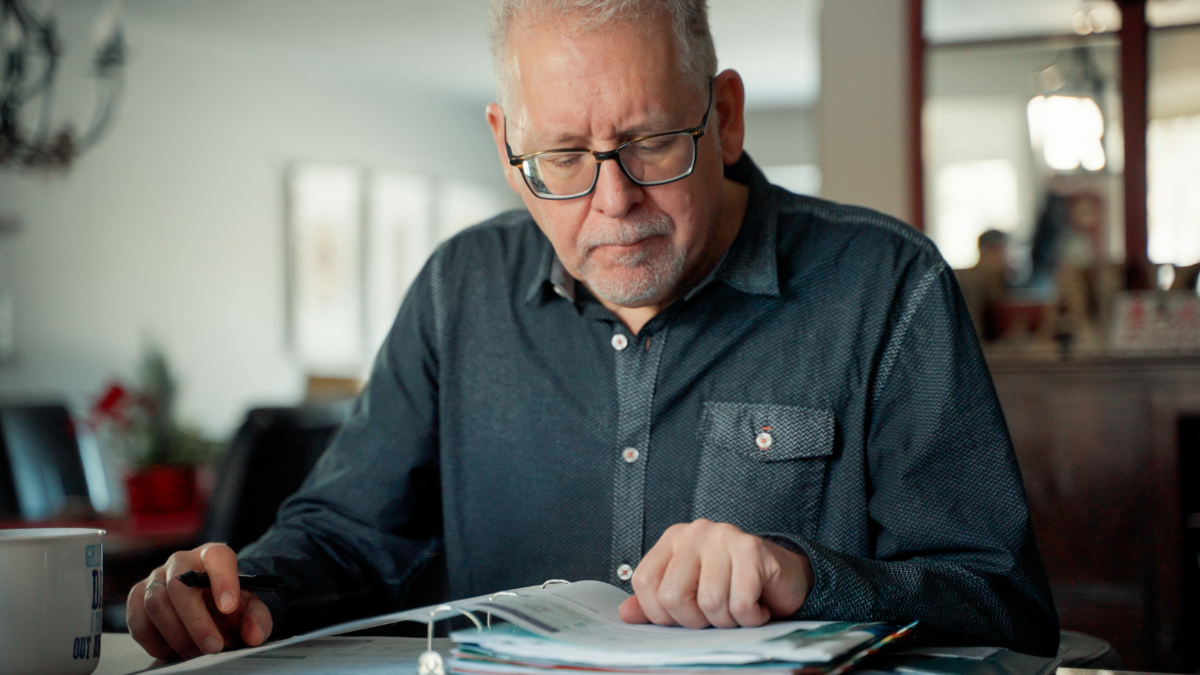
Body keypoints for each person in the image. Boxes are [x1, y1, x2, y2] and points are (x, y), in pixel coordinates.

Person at [127, 0, 1059, 662]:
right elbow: (347, 537)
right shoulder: (458, 291)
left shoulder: (886, 286)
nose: (614, 203)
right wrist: (234, 594)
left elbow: (1004, 603)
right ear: (505, 146)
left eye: (652, 142)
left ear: (724, 116)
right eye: (563, 156)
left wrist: (799, 573)